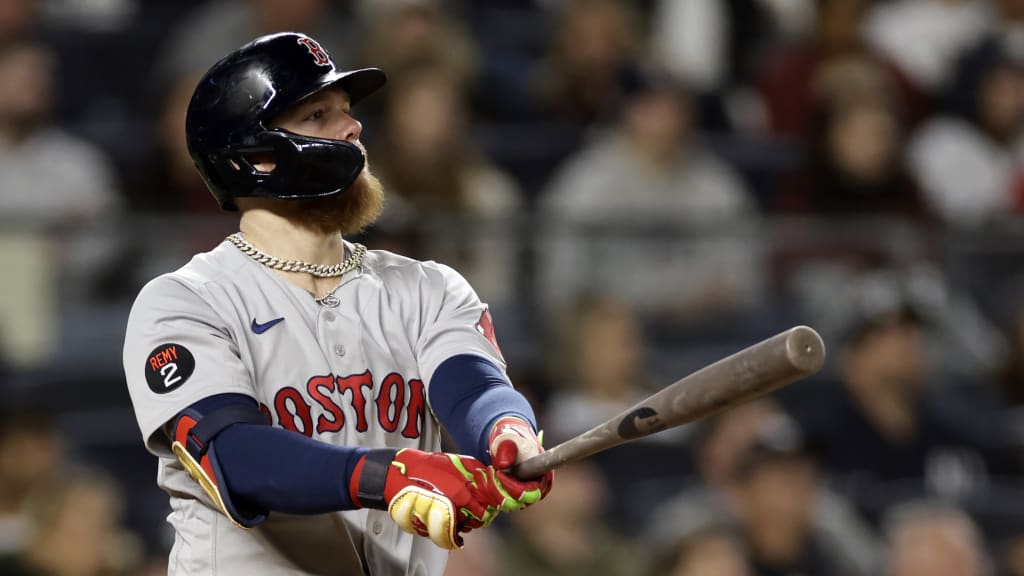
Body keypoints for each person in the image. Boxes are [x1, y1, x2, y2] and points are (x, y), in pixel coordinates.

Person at [121, 32, 552, 576]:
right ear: (255, 157)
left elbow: (473, 387)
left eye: (347, 112)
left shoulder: (427, 288)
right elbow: (234, 456)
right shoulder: (188, 301)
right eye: (318, 115)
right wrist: (391, 474)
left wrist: (505, 431)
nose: (352, 128)